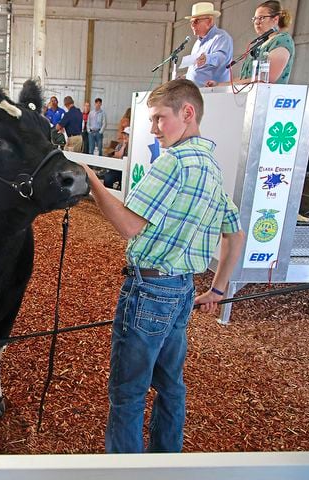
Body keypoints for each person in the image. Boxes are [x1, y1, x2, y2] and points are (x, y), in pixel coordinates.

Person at [81, 78, 245, 454]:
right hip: (182, 290)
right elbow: (234, 236)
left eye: (159, 119)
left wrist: (92, 181)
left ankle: (124, 473)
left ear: (187, 113)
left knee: (129, 393)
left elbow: (128, 224)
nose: (154, 129)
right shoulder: (210, 167)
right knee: (170, 385)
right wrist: (219, 289)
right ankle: (166, 463)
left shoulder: (173, 162)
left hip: (149, 292)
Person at [239, 1, 295, 85]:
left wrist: (235, 84)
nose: (256, 22)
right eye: (255, 18)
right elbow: (246, 78)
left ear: (275, 19)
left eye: (261, 18)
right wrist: (220, 84)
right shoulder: (260, 43)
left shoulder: (282, 41)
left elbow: (267, 78)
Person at [183, 2, 233, 87]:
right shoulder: (197, 43)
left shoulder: (221, 37)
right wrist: (186, 76)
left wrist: (207, 58)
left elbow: (222, 57)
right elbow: (196, 68)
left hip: (213, 91)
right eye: (191, 22)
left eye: (196, 21)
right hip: (198, 91)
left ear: (209, 21)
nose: (192, 25)